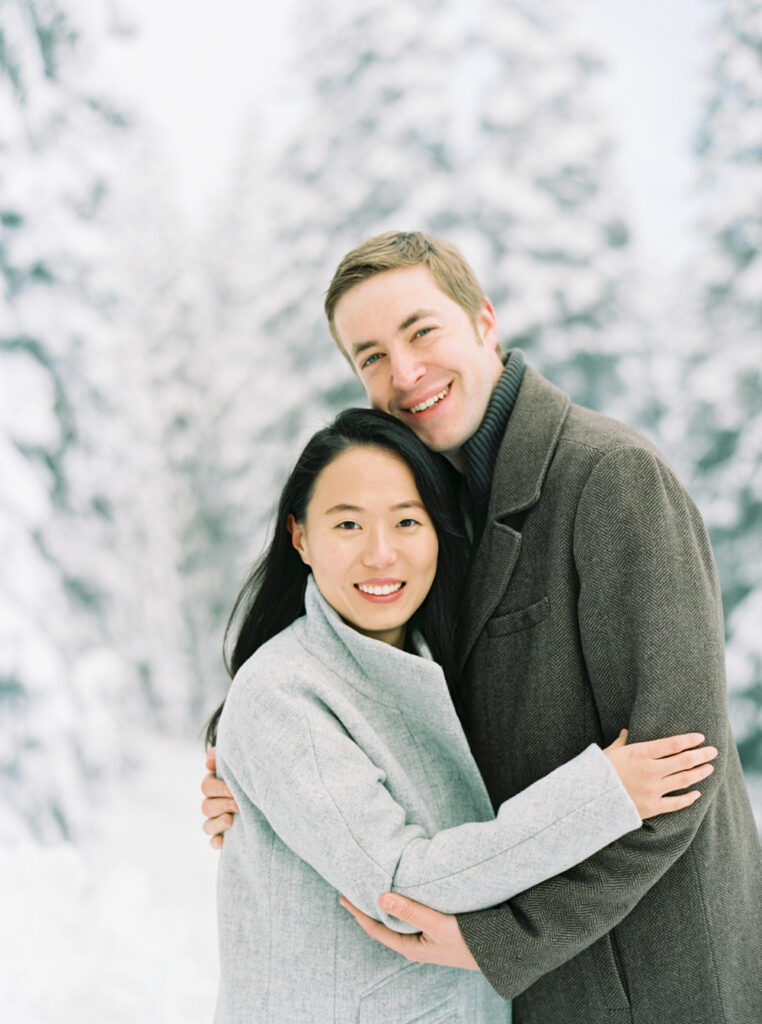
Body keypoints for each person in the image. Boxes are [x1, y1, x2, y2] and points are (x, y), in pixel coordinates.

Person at [203, 232, 762, 1023]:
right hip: (537, 984)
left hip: (651, 973)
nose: (404, 373)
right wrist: (260, 773)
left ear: (485, 321)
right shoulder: (433, 517)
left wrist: (507, 937)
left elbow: (679, 768)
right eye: (370, 356)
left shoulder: (610, 480)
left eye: (422, 331)